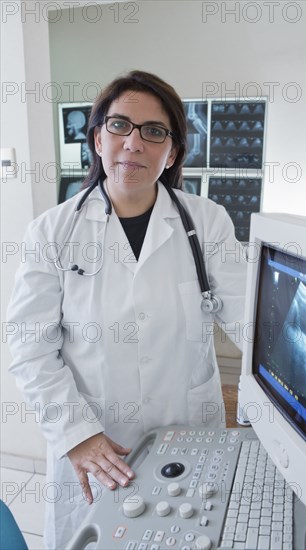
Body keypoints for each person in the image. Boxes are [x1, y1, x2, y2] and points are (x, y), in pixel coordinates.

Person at [7, 70, 247, 549]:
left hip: (185, 430)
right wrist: (75, 434)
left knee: (185, 536)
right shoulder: (51, 233)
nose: (134, 143)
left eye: (154, 131)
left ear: (172, 151)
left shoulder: (206, 222)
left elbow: (250, 321)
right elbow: (30, 347)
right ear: (98, 139)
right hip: (97, 441)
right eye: (120, 126)